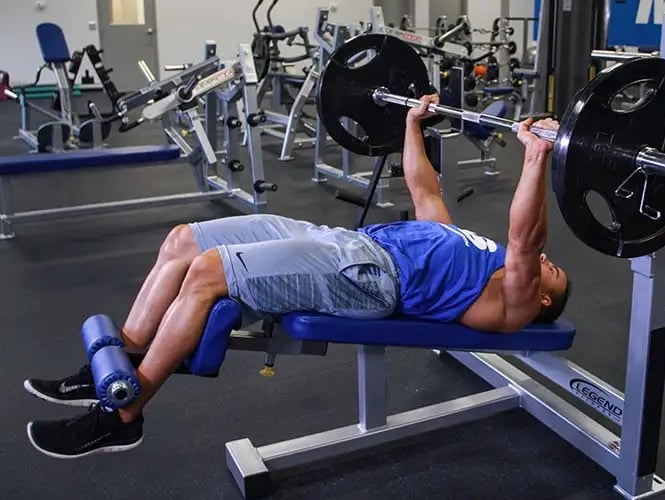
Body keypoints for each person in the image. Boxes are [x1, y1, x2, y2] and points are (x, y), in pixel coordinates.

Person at [25, 95, 570, 459]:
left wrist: (535, 159)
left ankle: (122, 413)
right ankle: (115, 360)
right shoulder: (468, 247)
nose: (551, 265)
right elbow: (425, 191)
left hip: (369, 276)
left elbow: (527, 240)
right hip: (345, 242)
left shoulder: (513, 298)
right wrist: (411, 125)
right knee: (184, 241)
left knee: (208, 273)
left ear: (542, 297)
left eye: (556, 274)